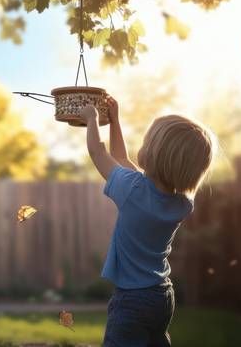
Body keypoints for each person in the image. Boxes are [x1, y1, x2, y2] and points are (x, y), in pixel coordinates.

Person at [80, 97, 215, 347]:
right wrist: (115, 121)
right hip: (161, 295)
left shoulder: (132, 190)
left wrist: (92, 120)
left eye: (146, 141)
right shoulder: (182, 203)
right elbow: (120, 157)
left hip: (132, 300)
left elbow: (98, 153)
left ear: (155, 155)